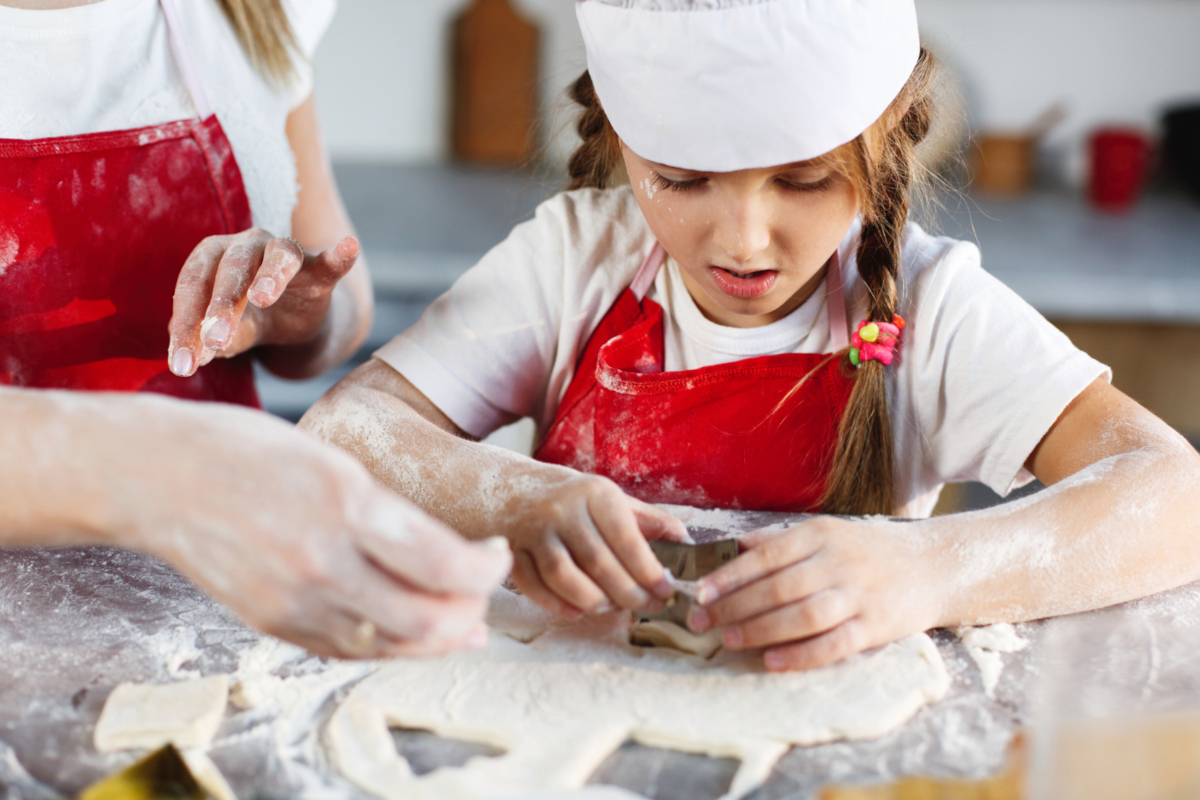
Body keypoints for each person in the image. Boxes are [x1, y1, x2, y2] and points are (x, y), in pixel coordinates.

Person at [302, 0, 1200, 672]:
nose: (740, 240)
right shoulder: (577, 259)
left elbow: (1175, 496)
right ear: (620, 144)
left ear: (883, 147)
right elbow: (343, 429)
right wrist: (510, 497)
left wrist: (924, 573)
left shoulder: (933, 310)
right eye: (682, 180)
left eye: (803, 181)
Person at [0, 0, 510, 658]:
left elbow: (345, 303)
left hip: (212, 606)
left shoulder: (250, 15)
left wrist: (291, 314)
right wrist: (177, 475)